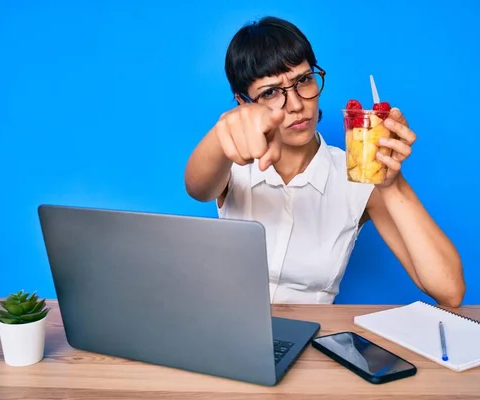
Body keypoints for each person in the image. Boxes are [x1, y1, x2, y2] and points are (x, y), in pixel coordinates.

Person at [184, 16, 465, 307]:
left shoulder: (357, 176)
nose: (295, 105)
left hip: (315, 340)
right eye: (270, 93)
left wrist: (391, 183)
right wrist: (223, 133)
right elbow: (197, 188)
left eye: (303, 80)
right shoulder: (234, 159)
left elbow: (448, 290)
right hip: (232, 332)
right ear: (244, 103)